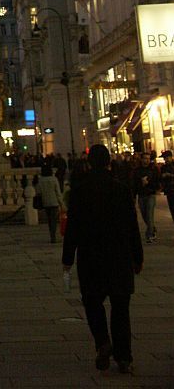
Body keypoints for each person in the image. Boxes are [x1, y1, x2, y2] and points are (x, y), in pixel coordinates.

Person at [62, 143, 143, 375]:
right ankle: (124, 357)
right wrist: (138, 256)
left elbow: (73, 228)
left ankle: (102, 342)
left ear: (89, 163)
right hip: (119, 257)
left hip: (91, 258)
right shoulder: (121, 189)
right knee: (120, 308)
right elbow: (132, 226)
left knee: (92, 303)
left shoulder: (79, 191)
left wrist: (68, 258)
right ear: (109, 163)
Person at [133, 151, 161, 243]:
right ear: (141, 159)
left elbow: (157, 183)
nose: (147, 160)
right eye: (145, 158)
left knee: (149, 215)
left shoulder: (153, 170)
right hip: (141, 196)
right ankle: (153, 229)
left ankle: (149, 235)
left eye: (148, 159)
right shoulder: (137, 171)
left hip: (150, 195)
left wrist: (148, 183)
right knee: (145, 216)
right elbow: (134, 184)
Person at [36, 163, 63, 243]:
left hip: (46, 202)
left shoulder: (41, 180)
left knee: (49, 220)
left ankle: (51, 235)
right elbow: (58, 192)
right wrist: (61, 203)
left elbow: (38, 192)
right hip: (54, 202)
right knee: (54, 220)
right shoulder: (54, 179)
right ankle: (53, 236)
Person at [161, 150, 174, 223]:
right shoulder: (164, 167)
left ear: (170, 157)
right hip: (169, 191)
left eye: (166, 158)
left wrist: (170, 175)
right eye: (164, 158)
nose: (165, 160)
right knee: (172, 208)